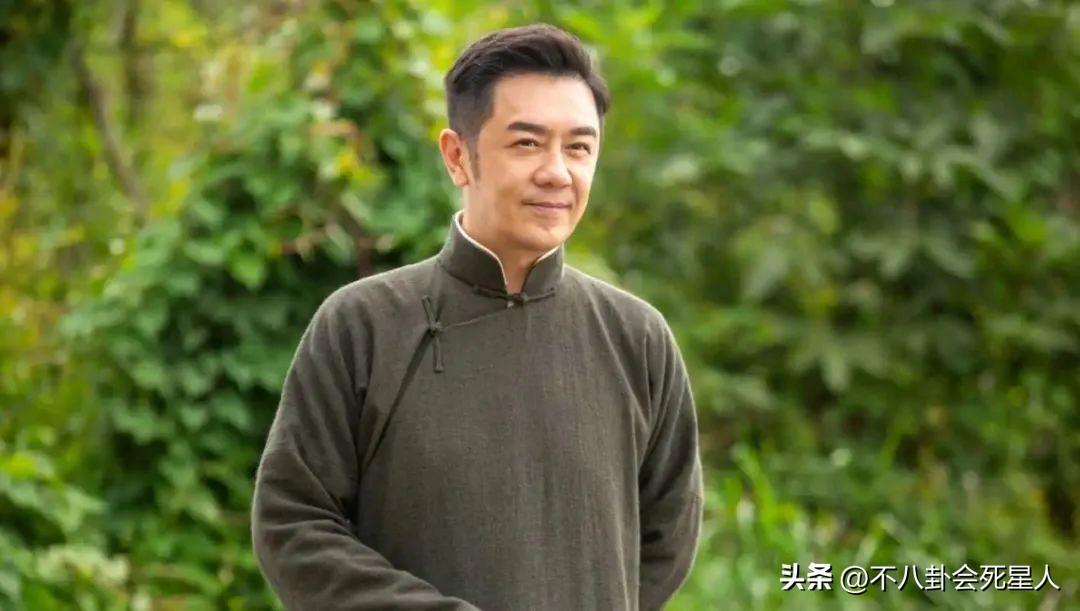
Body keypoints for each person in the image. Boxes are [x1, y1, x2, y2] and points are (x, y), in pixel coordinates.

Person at [251, 22, 704, 610]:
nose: (557, 172)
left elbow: (668, 535)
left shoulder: (637, 338)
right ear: (457, 156)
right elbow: (292, 525)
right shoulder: (361, 325)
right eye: (527, 143)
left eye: (579, 147)